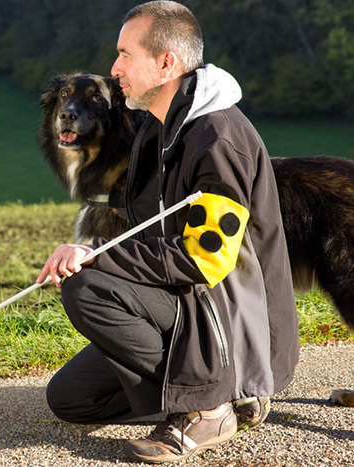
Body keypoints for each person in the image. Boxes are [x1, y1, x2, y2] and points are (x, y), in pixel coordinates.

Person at [36, 1, 299, 463]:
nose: (114, 68)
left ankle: (214, 400)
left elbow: (206, 258)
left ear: (165, 63)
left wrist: (96, 254)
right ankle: (198, 391)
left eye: (125, 54)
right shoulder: (159, 131)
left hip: (232, 326)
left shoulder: (216, 139)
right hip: (187, 307)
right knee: (73, 399)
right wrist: (94, 248)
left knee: (87, 288)